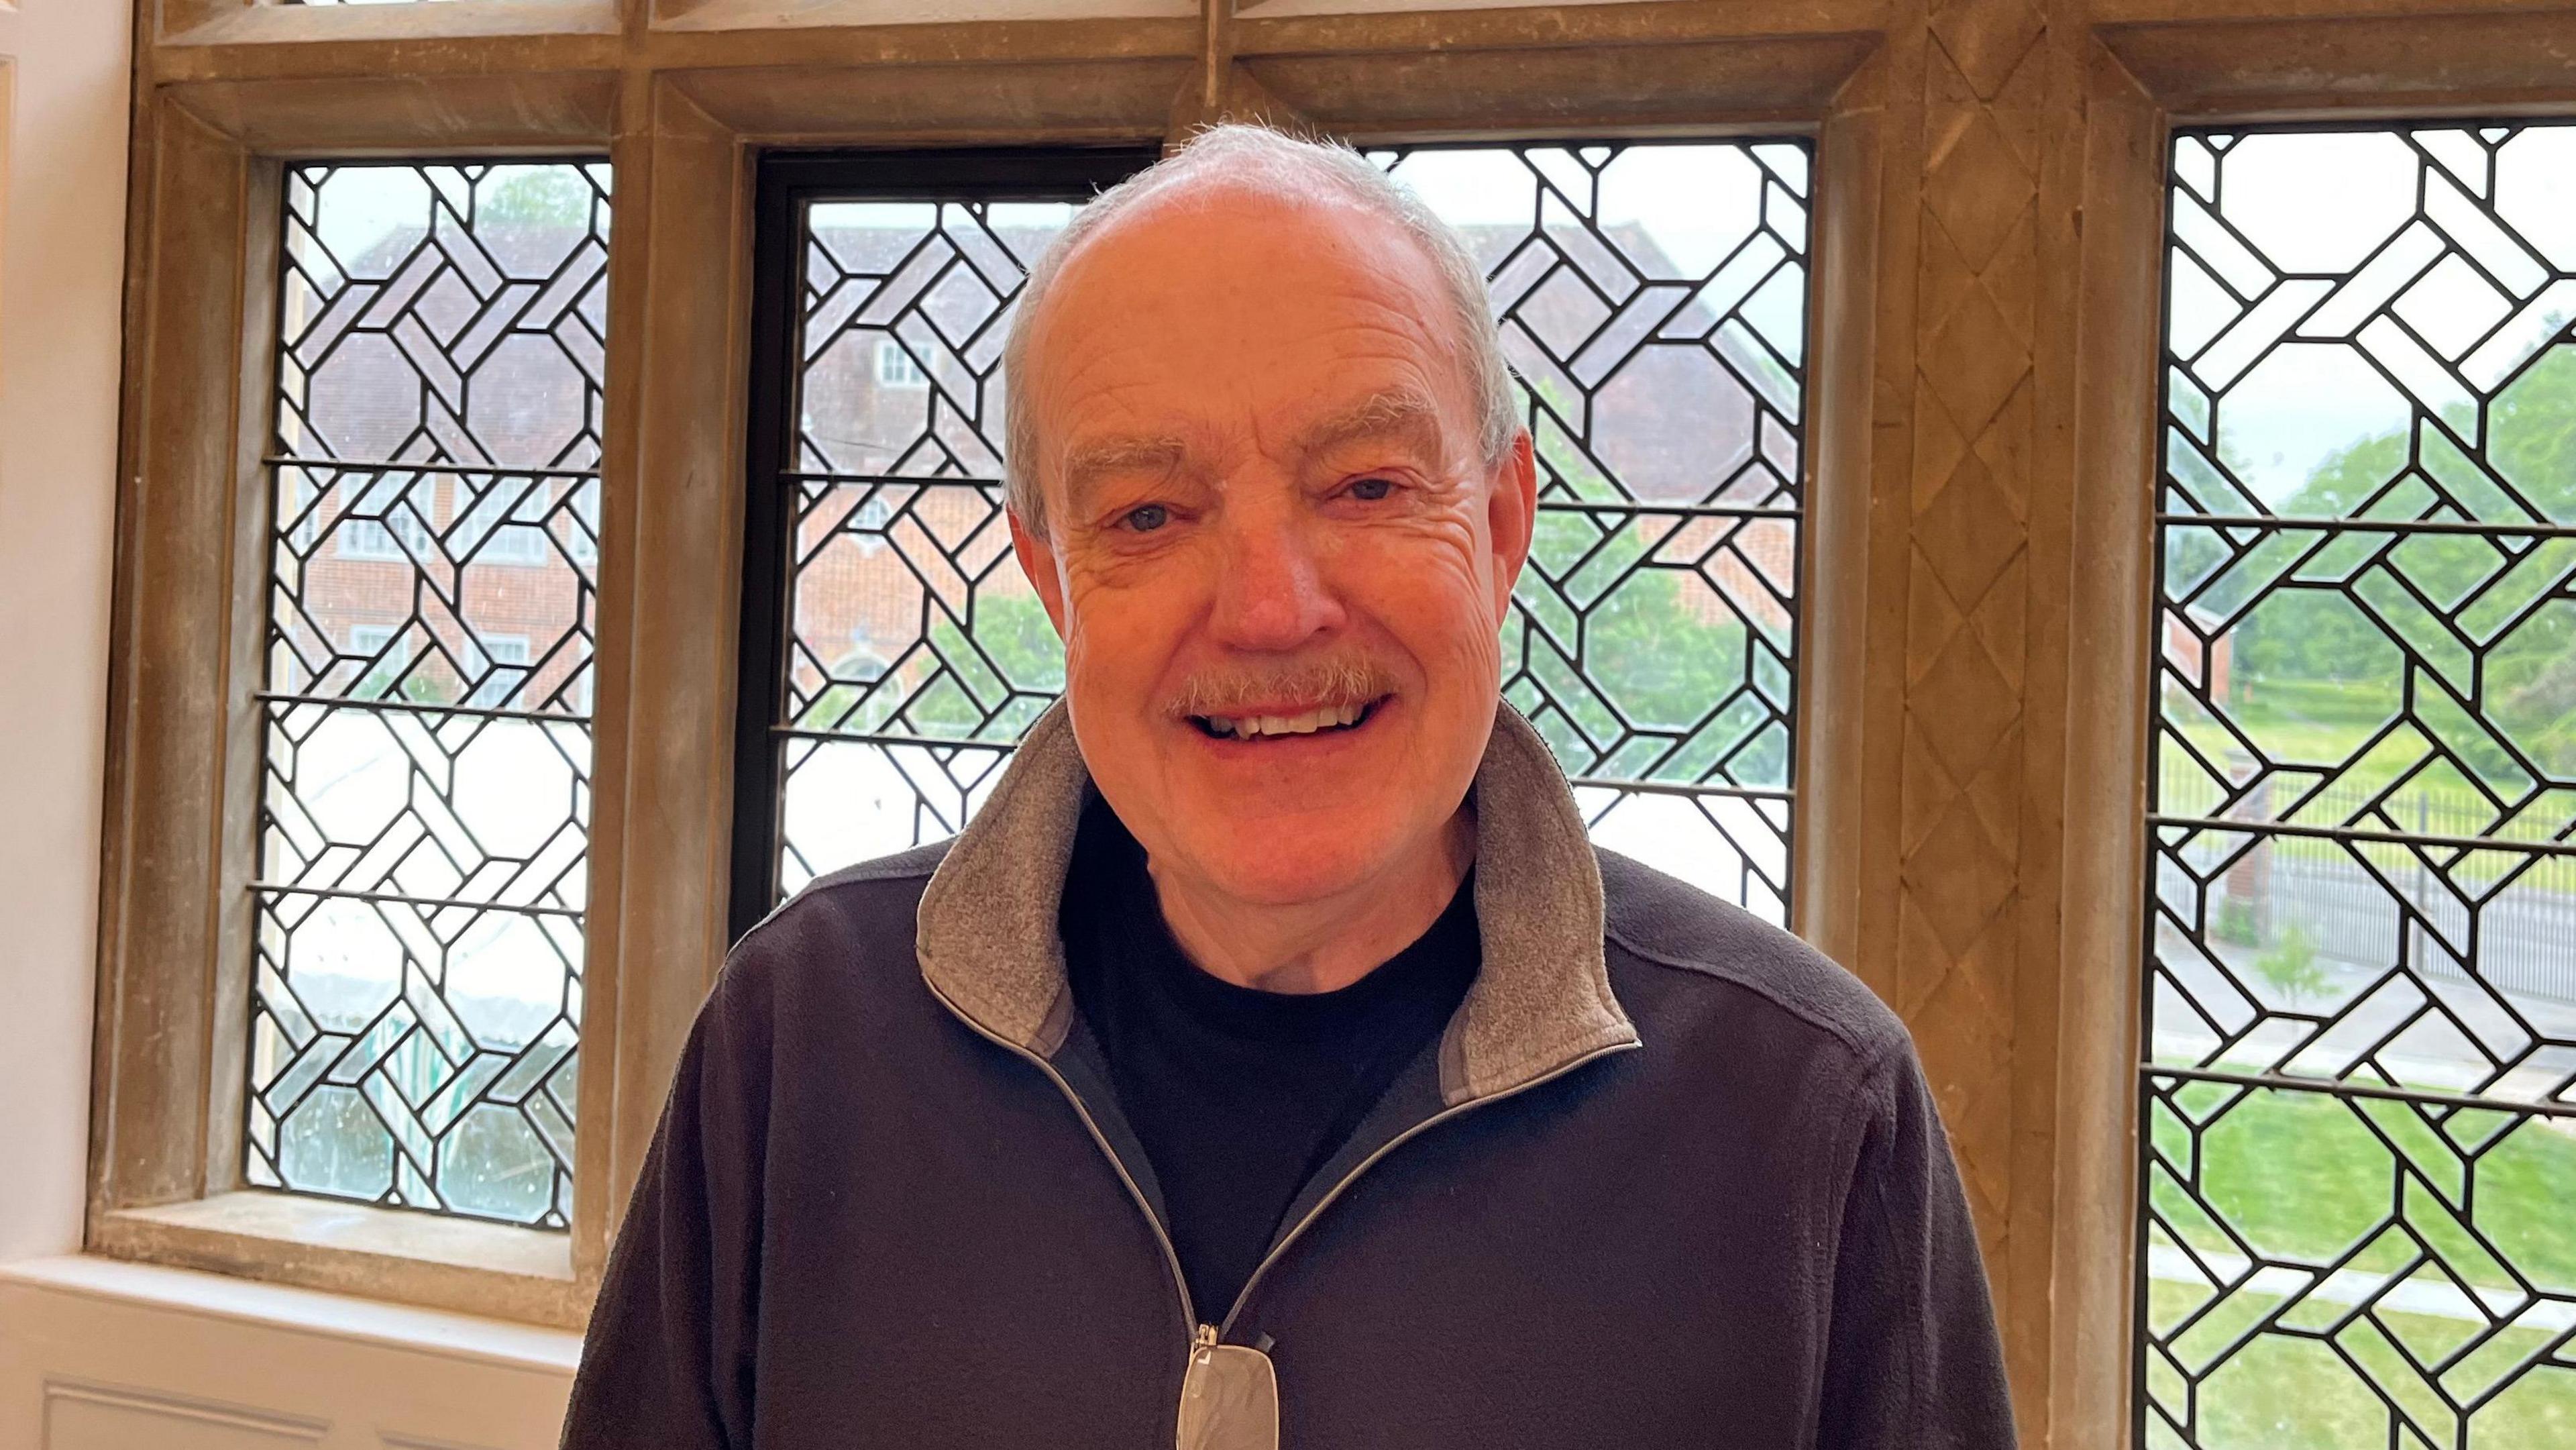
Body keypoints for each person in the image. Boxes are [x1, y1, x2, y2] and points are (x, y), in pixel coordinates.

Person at [561, 123, 2012, 1450]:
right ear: (1054, 580)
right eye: (1148, 512)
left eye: (1369, 486)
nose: (1270, 609)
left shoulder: (1809, 1120)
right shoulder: (805, 1039)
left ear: (1503, 524)